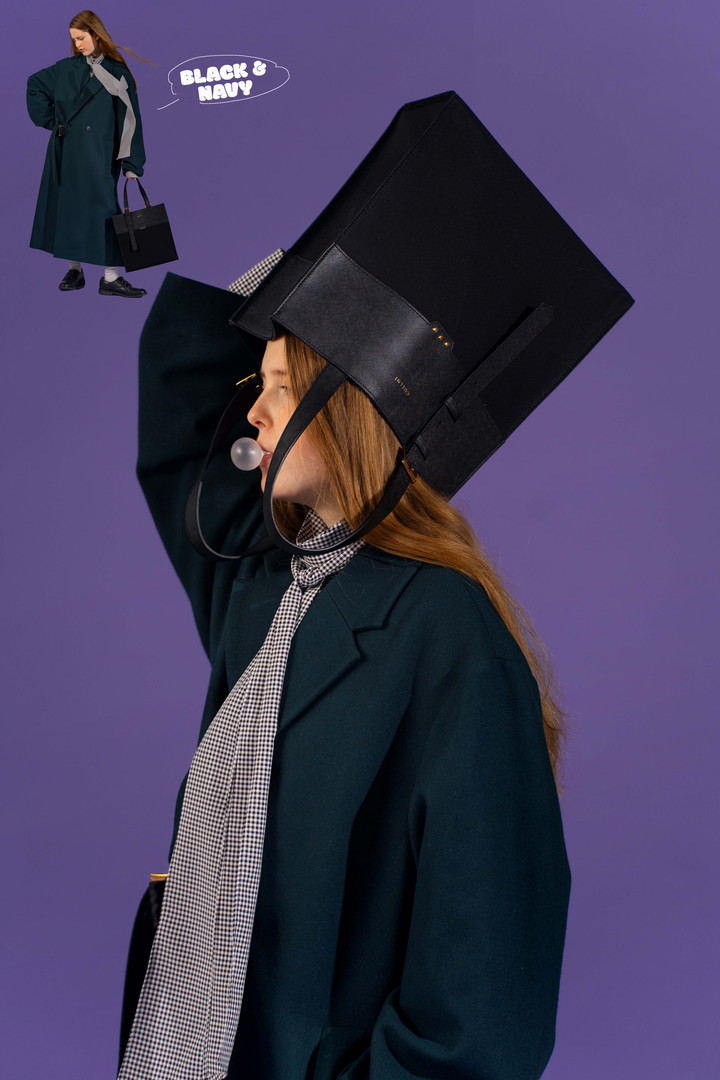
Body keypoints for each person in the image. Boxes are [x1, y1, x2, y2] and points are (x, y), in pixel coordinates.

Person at [117, 93, 632, 1080]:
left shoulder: (448, 634)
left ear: (351, 407)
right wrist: (298, 286)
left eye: (280, 385)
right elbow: (182, 422)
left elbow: (482, 1019)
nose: (253, 412)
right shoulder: (265, 586)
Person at [27, 10, 148, 298]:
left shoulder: (117, 72)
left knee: (105, 211)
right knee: (68, 207)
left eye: (81, 38)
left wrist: (132, 162)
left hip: (99, 152)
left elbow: (130, 119)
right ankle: (75, 270)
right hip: (66, 149)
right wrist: (54, 122)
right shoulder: (65, 68)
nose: (77, 44)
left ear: (96, 34)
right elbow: (35, 84)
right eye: (74, 39)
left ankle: (110, 277)